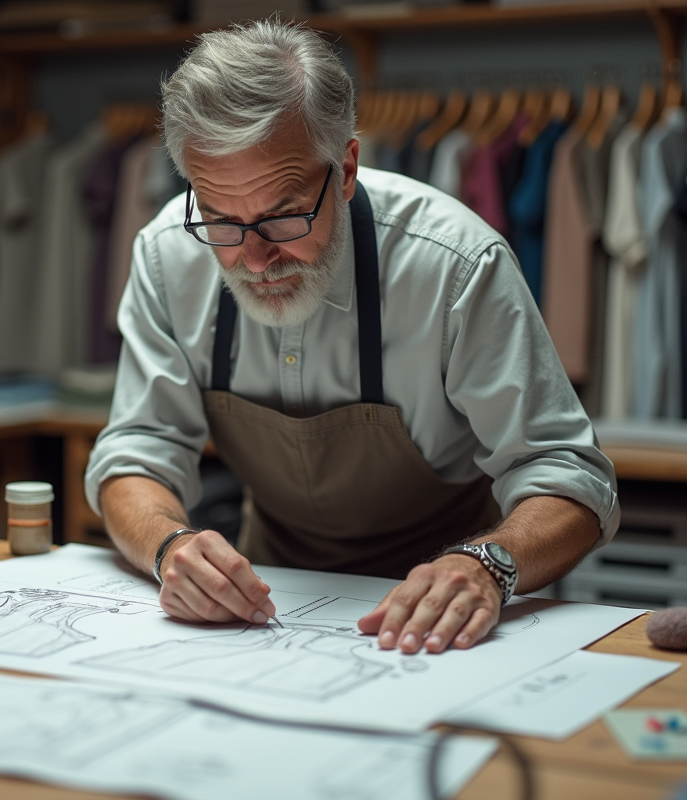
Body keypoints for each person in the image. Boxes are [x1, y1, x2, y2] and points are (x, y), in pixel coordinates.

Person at [84, 19, 619, 656]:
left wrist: (488, 566)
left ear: (345, 170)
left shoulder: (453, 265)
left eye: (282, 216)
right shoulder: (169, 255)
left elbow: (568, 472)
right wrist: (172, 548)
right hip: (273, 601)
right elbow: (137, 451)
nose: (254, 260)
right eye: (223, 221)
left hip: (452, 608)